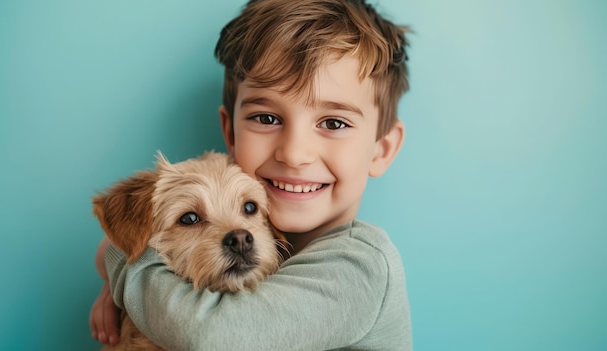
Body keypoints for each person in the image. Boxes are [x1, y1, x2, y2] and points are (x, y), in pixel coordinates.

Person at [90, 0, 412, 349]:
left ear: (381, 149)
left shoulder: (359, 266)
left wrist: (123, 264)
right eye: (267, 118)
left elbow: (212, 335)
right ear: (230, 134)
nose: (294, 153)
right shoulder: (273, 251)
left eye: (334, 122)